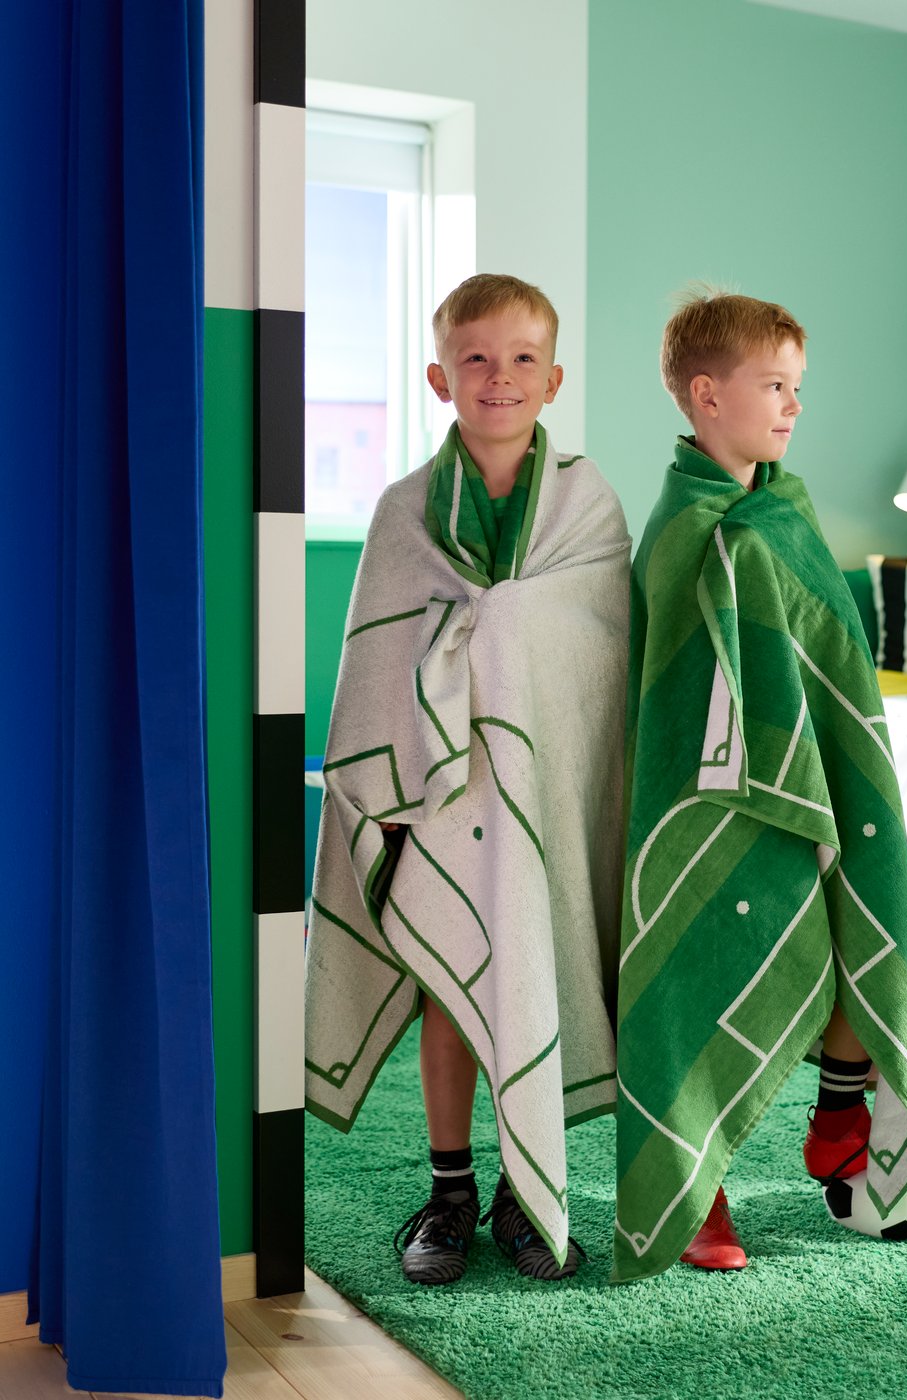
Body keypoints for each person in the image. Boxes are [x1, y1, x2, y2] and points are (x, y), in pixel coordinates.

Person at [304, 274, 630, 1284]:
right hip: (439, 792)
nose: (500, 377)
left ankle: (525, 1197)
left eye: (523, 358)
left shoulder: (587, 502)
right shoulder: (406, 510)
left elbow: (596, 659)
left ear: (554, 376)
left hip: (540, 791)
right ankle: (448, 1187)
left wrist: (500, 626)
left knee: (531, 976)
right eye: (478, 359)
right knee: (451, 984)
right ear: (440, 375)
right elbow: (376, 657)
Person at [613, 289, 907, 1283]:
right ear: (706, 396)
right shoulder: (681, 525)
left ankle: (836, 1119)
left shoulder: (782, 511)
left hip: (810, 786)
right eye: (773, 385)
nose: (791, 406)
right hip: (705, 801)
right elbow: (673, 676)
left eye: (797, 387)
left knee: (854, 922)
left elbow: (831, 649)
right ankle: (696, 1184)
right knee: (698, 974)